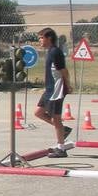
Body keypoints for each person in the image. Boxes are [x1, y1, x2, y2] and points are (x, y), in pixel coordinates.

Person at [35, 28, 73, 157]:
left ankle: (61, 149)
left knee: (56, 119)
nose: (39, 40)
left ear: (49, 38)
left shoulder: (56, 52)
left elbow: (64, 71)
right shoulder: (50, 52)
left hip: (57, 90)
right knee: (38, 112)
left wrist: (68, 85)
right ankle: (63, 130)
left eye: (41, 38)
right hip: (49, 90)